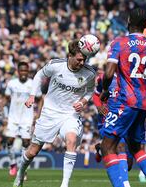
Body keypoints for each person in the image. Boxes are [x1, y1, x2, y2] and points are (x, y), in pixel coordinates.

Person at [99, 8, 146, 187]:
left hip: (126, 101)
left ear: (128, 22)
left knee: (107, 146)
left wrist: (105, 90)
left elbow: (108, 73)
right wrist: (142, 78)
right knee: (136, 147)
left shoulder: (119, 42)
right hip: (144, 103)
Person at [13, 40, 97, 187]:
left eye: (84, 59)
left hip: (70, 114)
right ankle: (20, 174)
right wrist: (33, 95)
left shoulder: (89, 73)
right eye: (79, 59)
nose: (82, 62)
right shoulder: (56, 65)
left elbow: (90, 91)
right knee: (32, 152)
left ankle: (64, 184)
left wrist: (83, 102)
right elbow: (39, 75)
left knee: (71, 140)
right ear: (70, 56)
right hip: (49, 113)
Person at [4, 60, 40, 177]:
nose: (23, 72)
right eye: (21, 70)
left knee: (26, 143)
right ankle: (13, 164)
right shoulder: (12, 83)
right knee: (9, 140)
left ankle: (23, 169)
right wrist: (1, 110)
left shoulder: (32, 84)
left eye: (25, 70)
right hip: (13, 117)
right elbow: (6, 98)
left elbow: (41, 99)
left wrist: (38, 113)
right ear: (18, 72)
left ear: (28, 71)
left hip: (27, 118)